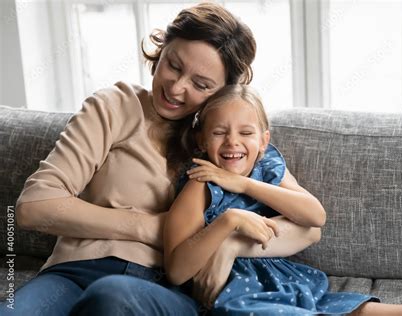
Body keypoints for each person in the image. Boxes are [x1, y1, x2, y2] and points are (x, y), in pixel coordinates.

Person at [0, 3, 322, 315]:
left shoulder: (229, 143)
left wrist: (231, 243)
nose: (176, 87)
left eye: (200, 84)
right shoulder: (115, 107)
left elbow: (308, 226)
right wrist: (151, 227)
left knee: (113, 295)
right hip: (73, 272)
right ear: (161, 50)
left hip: (169, 291)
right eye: (174, 65)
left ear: (223, 92)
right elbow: (33, 207)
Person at [163, 84, 402, 316]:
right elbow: (176, 271)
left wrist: (243, 184)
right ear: (201, 140)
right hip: (236, 293)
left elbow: (315, 217)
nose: (232, 142)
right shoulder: (200, 182)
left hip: (285, 281)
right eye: (219, 132)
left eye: (246, 133)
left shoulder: (266, 167)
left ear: (263, 141)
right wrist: (229, 221)